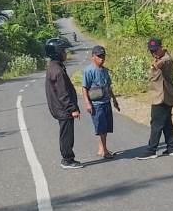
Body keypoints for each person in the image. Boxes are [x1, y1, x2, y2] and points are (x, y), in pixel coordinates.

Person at [136, 37, 173, 159]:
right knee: (166, 123)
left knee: (156, 123)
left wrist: (156, 64)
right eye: (151, 51)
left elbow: (164, 63)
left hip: (162, 96)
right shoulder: (160, 58)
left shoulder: (166, 59)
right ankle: (172, 147)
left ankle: (151, 150)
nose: (154, 53)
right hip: (163, 95)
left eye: (155, 50)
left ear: (161, 47)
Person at [44, 38, 83, 169]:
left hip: (60, 108)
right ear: (57, 53)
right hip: (63, 109)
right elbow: (63, 93)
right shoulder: (58, 70)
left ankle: (67, 158)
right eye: (63, 51)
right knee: (67, 134)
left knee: (65, 133)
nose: (66, 53)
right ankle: (67, 159)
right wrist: (72, 108)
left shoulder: (54, 66)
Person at [81, 45, 121, 159]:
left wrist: (114, 100)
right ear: (93, 57)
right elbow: (84, 88)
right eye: (99, 56)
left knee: (105, 127)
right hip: (96, 104)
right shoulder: (89, 71)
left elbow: (108, 86)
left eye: (103, 56)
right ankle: (105, 151)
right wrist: (87, 103)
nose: (102, 59)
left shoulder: (104, 70)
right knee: (101, 127)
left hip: (106, 102)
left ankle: (101, 148)